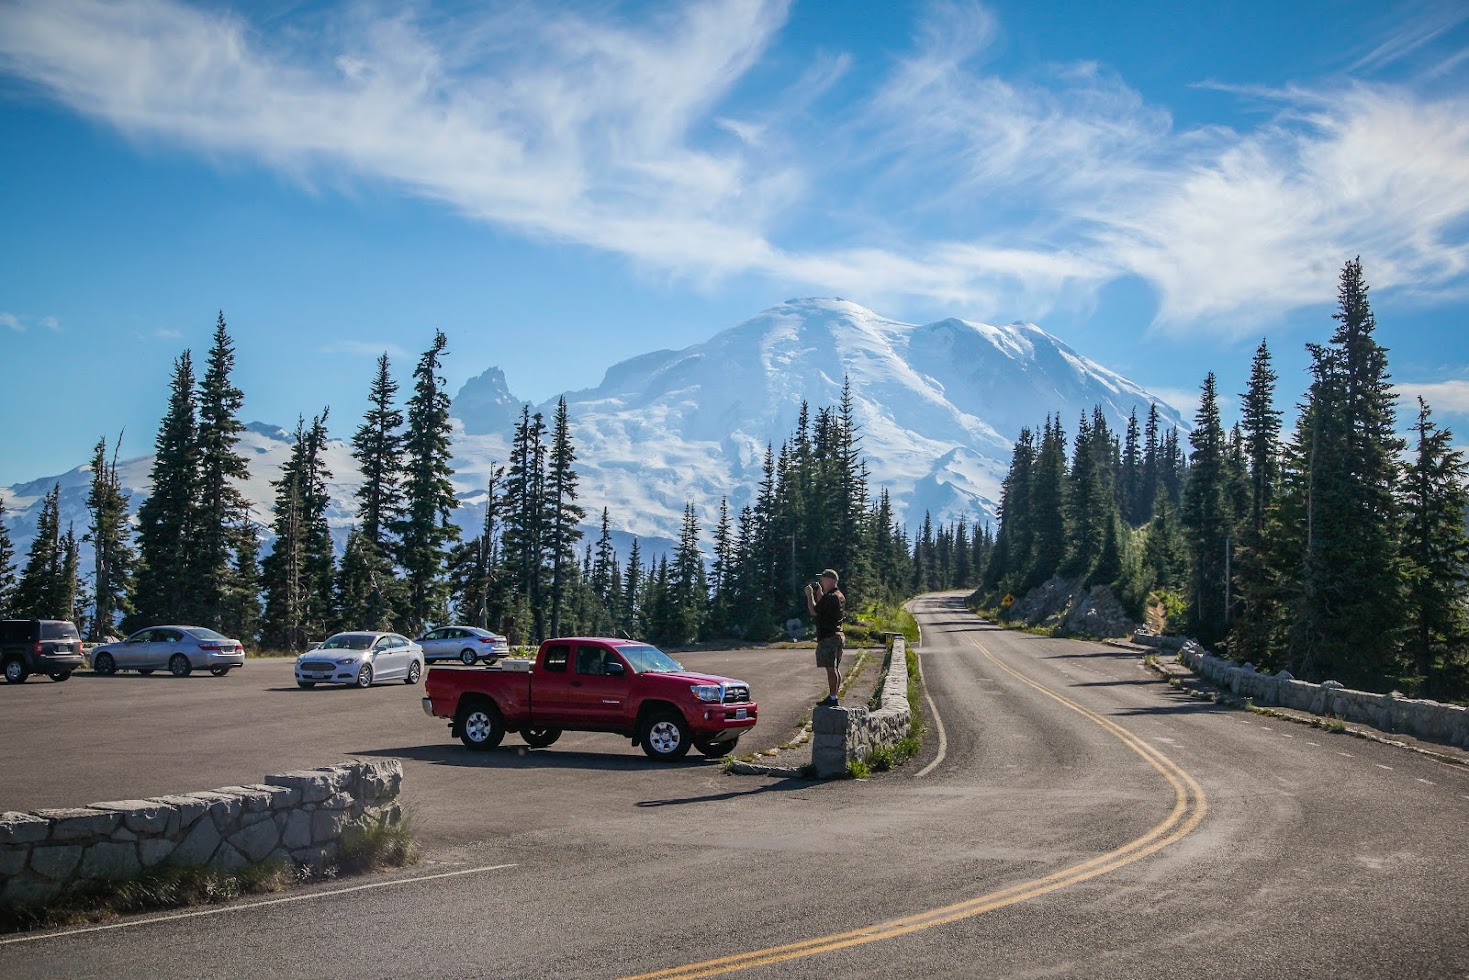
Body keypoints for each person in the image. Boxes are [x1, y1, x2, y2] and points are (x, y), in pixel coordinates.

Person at [805, 568, 845, 707]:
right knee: (835, 668)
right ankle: (834, 696)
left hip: (829, 637)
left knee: (830, 669)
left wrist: (810, 595)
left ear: (830, 580)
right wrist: (820, 593)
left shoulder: (830, 597)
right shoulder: (838, 595)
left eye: (823, 579)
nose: (821, 581)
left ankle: (833, 698)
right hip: (838, 634)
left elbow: (814, 611)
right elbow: (824, 607)